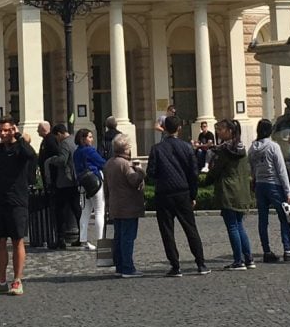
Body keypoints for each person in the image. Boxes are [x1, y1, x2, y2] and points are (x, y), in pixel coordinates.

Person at [0, 118, 37, 296]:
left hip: (17, 200)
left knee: (17, 240)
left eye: (7, 130)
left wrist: (18, 136)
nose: (3, 134)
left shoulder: (20, 147)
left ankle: (17, 280)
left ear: (13, 130)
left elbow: (31, 155)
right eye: (1, 130)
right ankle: (1, 279)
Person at [146, 115, 208, 276]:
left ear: (164, 128)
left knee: (167, 231)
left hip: (164, 194)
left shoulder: (156, 149)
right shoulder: (187, 148)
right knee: (191, 228)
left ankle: (175, 265)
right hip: (183, 193)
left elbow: (151, 174)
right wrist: (193, 195)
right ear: (179, 128)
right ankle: (201, 263)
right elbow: (193, 174)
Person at [206, 118, 254, 270]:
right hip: (241, 190)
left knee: (232, 226)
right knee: (239, 225)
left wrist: (204, 179)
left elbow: (215, 170)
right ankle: (249, 259)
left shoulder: (225, 150)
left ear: (230, 131)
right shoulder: (241, 147)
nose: (218, 132)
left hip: (228, 190)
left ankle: (238, 261)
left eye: (221, 129)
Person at [249, 118, 290, 263]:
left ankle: (266, 250)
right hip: (274, 184)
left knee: (263, 219)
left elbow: (251, 168)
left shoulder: (252, 148)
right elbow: (281, 170)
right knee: (284, 217)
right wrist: (288, 191)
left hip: (260, 185)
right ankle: (287, 249)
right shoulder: (273, 146)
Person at [104, 135, 145, 277]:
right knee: (128, 237)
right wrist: (140, 171)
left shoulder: (109, 163)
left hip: (115, 205)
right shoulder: (125, 165)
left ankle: (120, 266)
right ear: (126, 149)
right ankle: (128, 267)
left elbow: (106, 188)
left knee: (119, 237)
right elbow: (134, 181)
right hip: (128, 206)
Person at [45, 124, 80, 249]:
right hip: (74, 180)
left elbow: (62, 160)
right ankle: (81, 236)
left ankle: (61, 239)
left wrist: (52, 160)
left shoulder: (64, 143)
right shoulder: (74, 140)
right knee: (76, 209)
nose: (57, 139)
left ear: (59, 134)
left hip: (65, 181)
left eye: (57, 137)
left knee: (60, 211)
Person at [73, 128, 106, 251]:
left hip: (83, 184)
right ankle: (100, 240)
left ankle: (83, 239)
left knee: (85, 211)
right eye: (89, 137)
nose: (92, 139)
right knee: (99, 211)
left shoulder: (77, 152)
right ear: (83, 138)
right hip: (94, 181)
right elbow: (102, 163)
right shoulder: (90, 151)